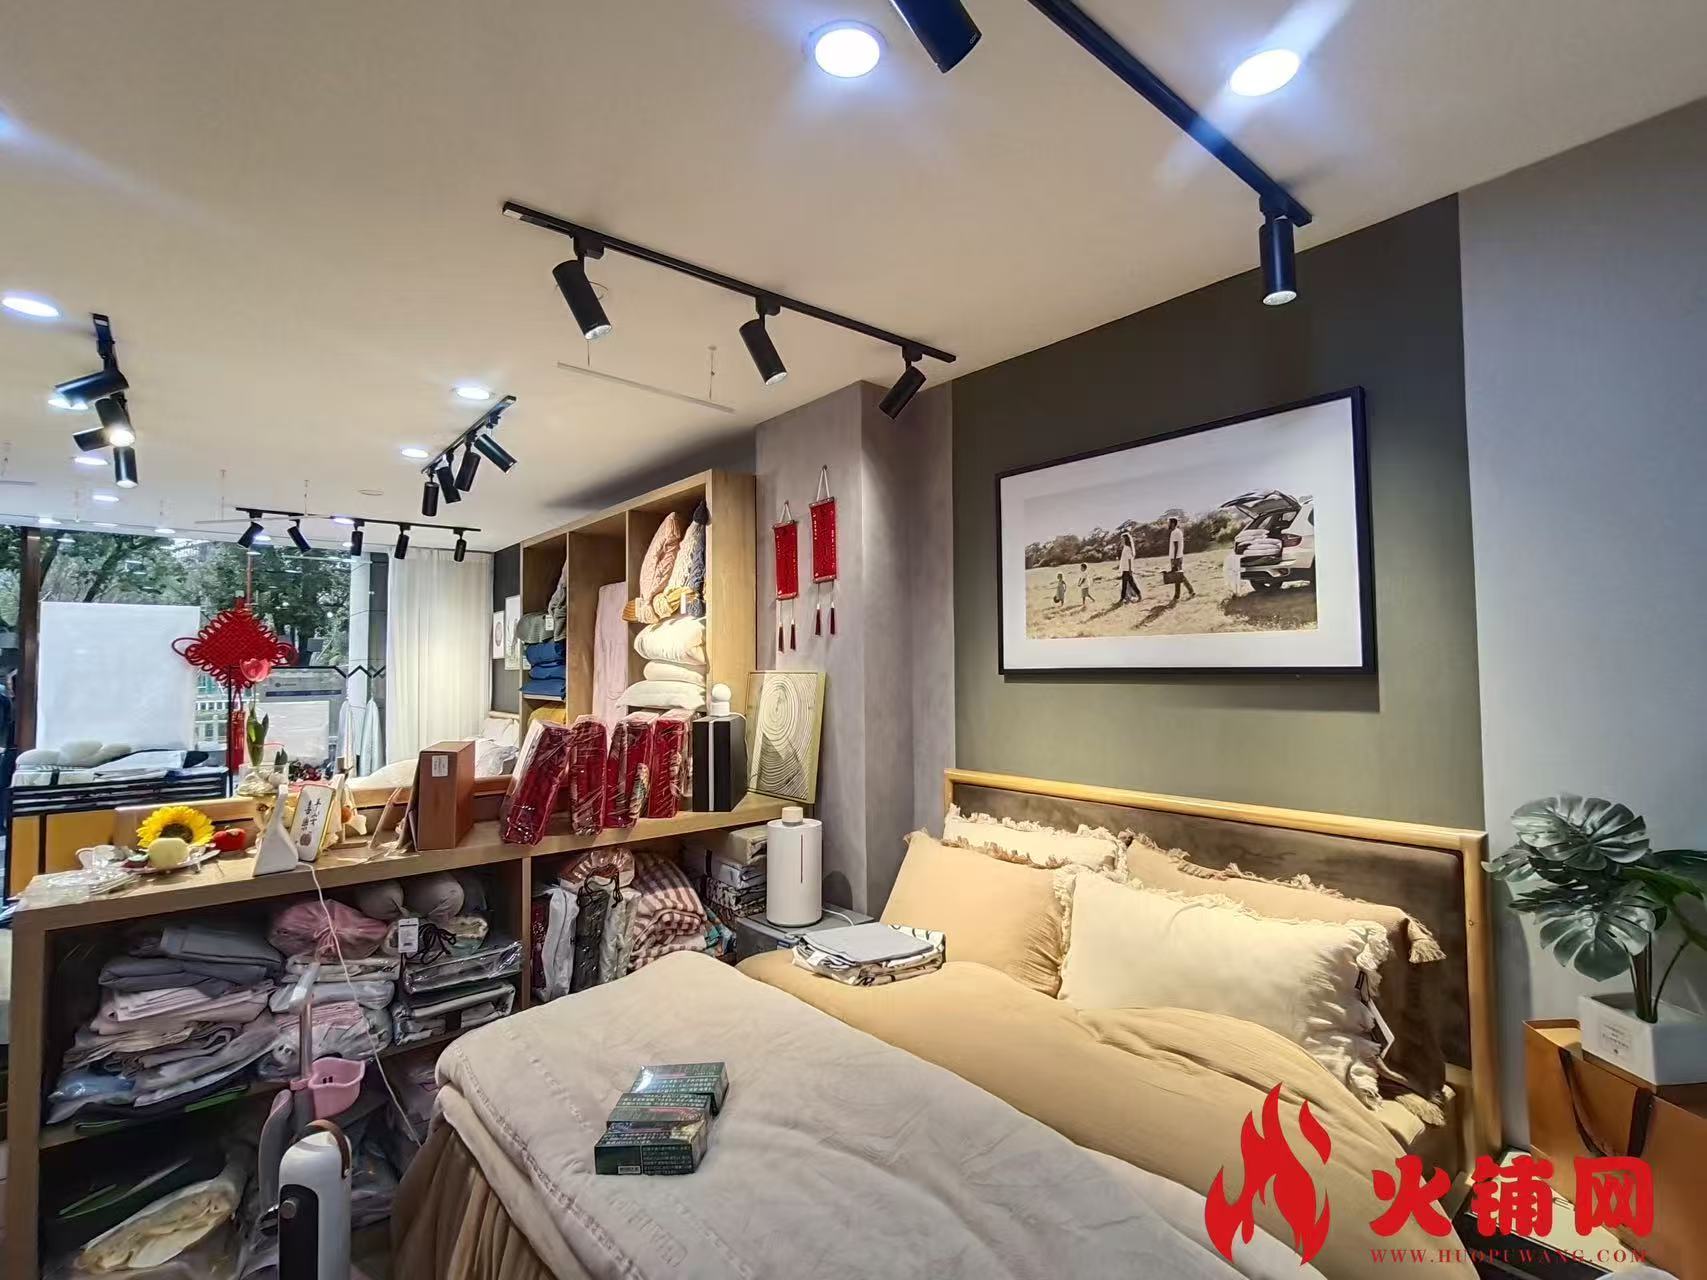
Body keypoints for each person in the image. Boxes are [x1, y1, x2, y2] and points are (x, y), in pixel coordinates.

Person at [1167, 517, 1197, 602]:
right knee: (1178, 576)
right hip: (1178, 557)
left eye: (1169, 523)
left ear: (1173, 523)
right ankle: (1182, 594)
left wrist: (1174, 559)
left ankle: (1183, 594)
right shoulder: (1178, 532)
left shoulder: (1174, 532)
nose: (1168, 524)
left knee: (1178, 576)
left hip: (1176, 558)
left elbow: (1176, 546)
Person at [1117, 532, 1142, 604]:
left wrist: (1130, 569)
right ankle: (1123, 598)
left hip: (1127, 569)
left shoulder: (1127, 548)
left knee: (1130, 583)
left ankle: (1138, 596)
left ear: (1126, 539)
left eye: (1122, 539)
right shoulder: (1125, 547)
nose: (1121, 540)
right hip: (1125, 569)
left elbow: (1129, 559)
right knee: (1125, 584)